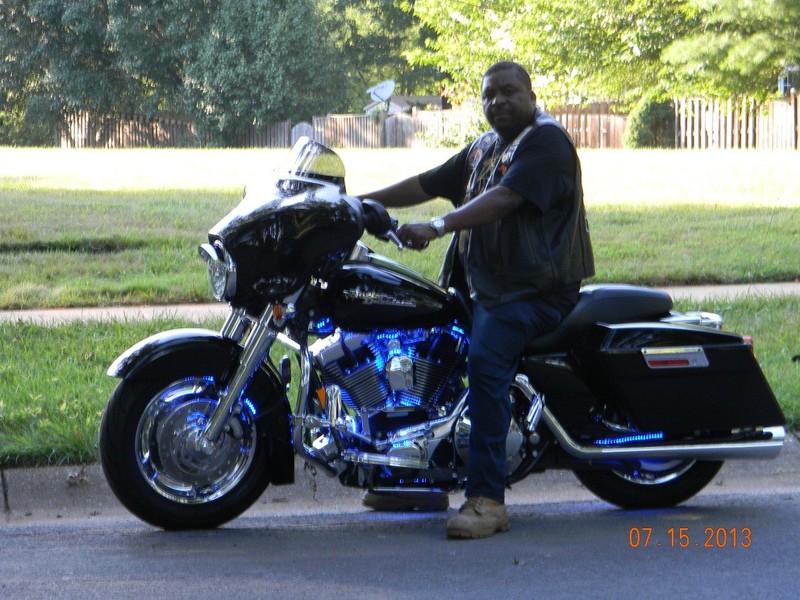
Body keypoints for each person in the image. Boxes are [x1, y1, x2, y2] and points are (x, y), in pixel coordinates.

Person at [357, 60, 595, 539]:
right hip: (488, 286)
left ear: (531, 96)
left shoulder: (546, 143)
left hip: (532, 292)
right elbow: (426, 182)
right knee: (422, 342)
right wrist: (357, 203)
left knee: (486, 364)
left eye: (508, 92)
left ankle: (487, 500)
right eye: (489, 95)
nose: (498, 101)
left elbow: (506, 198)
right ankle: (411, 474)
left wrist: (439, 225)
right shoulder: (487, 146)